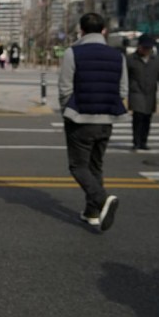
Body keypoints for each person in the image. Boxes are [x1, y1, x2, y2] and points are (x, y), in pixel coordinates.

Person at [58, 13, 126, 232]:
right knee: (95, 165)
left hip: (80, 118)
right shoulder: (117, 56)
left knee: (78, 166)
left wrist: (67, 110)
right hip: (107, 119)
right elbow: (123, 90)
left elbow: (65, 88)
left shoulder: (73, 53)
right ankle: (92, 213)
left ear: (82, 30)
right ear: (104, 30)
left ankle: (101, 199)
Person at [127, 34, 159, 152]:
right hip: (136, 92)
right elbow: (124, 76)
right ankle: (136, 141)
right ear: (139, 47)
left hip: (150, 92)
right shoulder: (130, 59)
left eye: (149, 48)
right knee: (138, 117)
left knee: (147, 117)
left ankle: (143, 141)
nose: (146, 50)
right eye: (144, 48)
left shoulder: (156, 60)